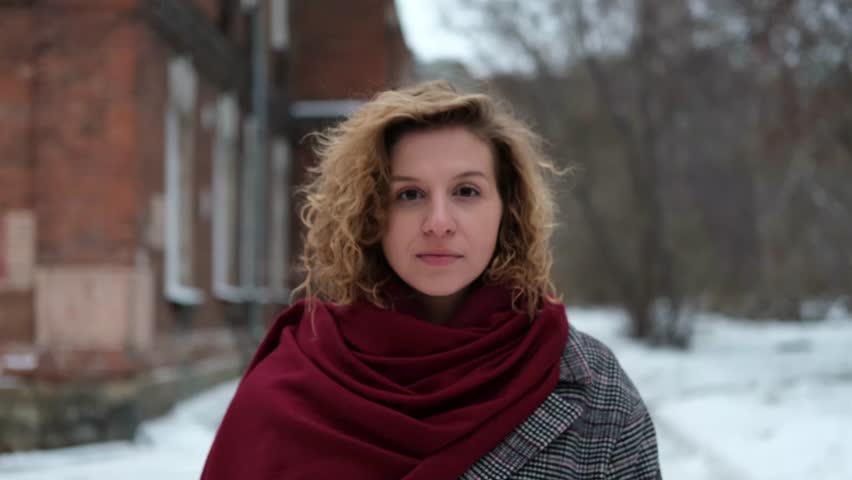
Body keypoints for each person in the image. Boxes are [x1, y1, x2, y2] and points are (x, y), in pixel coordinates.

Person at [201, 81, 662, 479]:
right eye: (409, 194)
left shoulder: (592, 391)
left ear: (507, 209)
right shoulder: (290, 387)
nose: (438, 221)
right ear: (369, 213)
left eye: (466, 191)